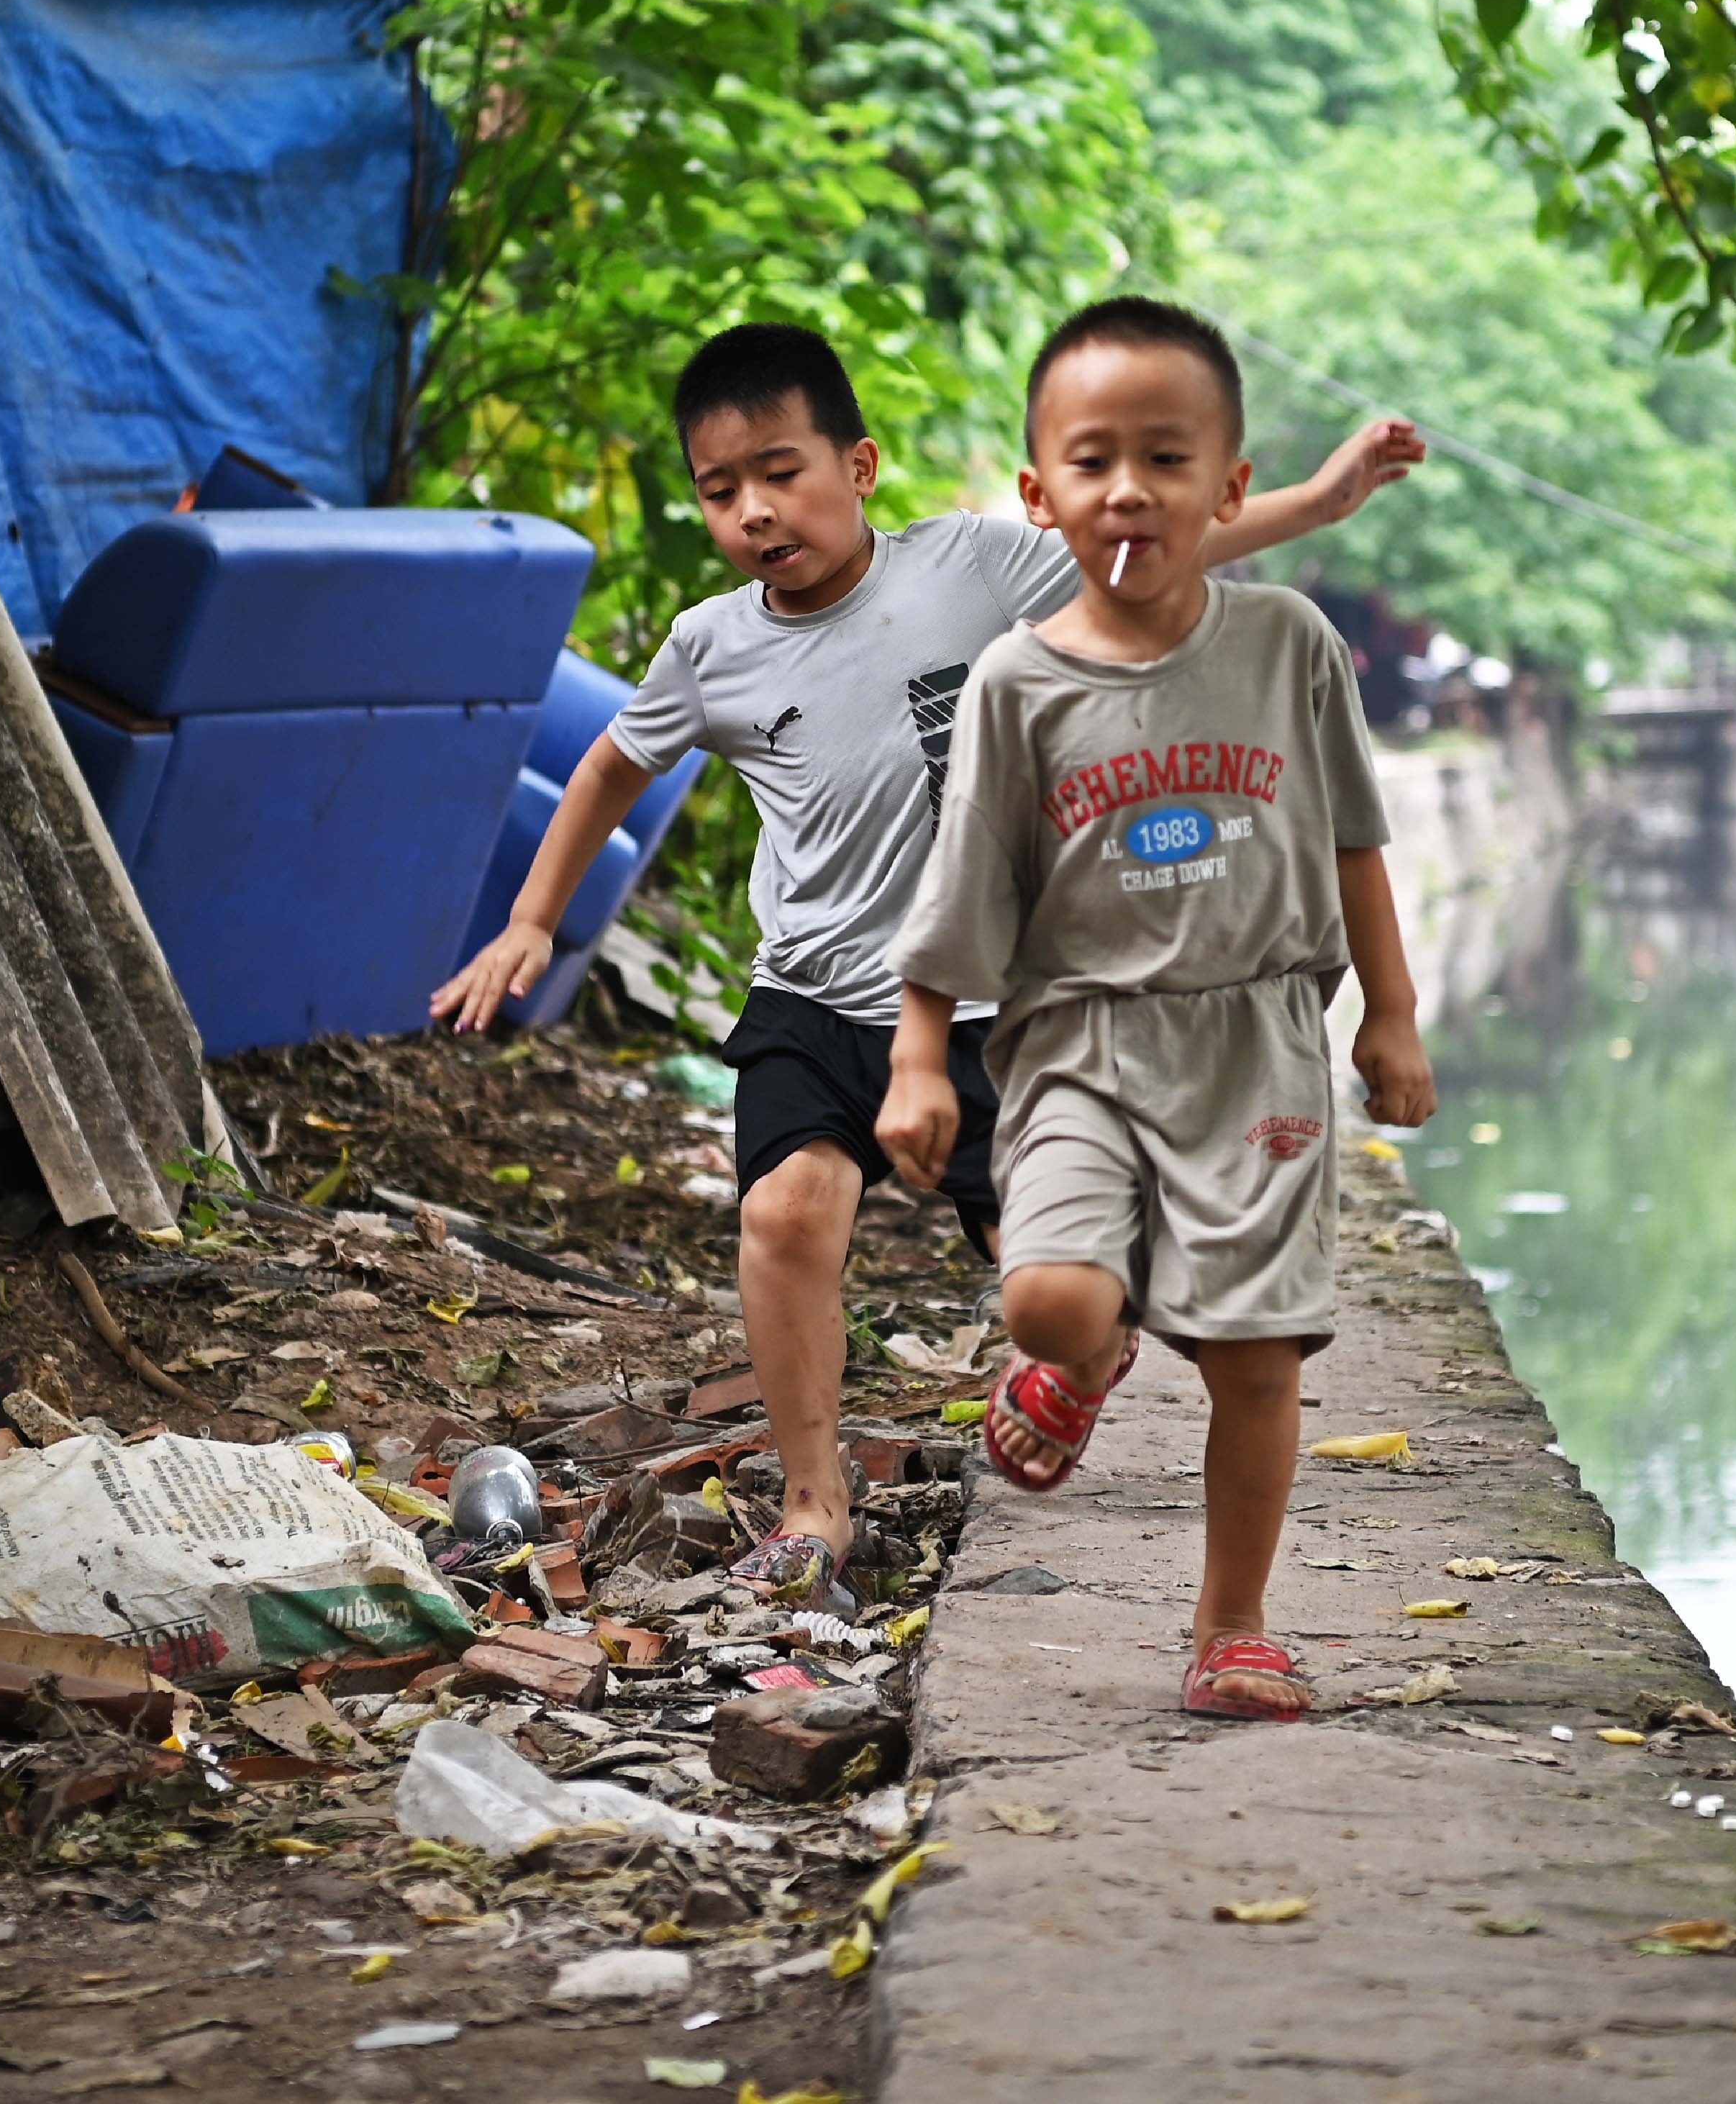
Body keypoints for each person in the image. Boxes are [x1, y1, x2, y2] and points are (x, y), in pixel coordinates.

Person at [430, 322, 1420, 1613]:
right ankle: (811, 1505)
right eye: (720, 490)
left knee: (1060, 1296)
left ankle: (1084, 1360)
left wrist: (1323, 499)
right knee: (786, 1216)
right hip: (814, 994)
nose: (754, 512)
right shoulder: (712, 646)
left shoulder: (972, 567)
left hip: (997, 1010)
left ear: (861, 464)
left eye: (780, 473)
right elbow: (614, 762)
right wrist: (531, 921)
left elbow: (1155, 546)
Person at [872, 296, 1438, 1719]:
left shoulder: (1291, 649)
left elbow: (1353, 843)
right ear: (1037, 492)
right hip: (1074, 1044)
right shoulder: (1015, 681)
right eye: (1092, 458)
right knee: (1050, 1293)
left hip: (1257, 1046)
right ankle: (1088, 1353)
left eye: (1166, 456)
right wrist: (919, 1056)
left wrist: (1391, 1016)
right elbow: (960, 888)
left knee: (1255, 1354)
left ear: (1229, 487)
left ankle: (1230, 1623)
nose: (1128, 487)